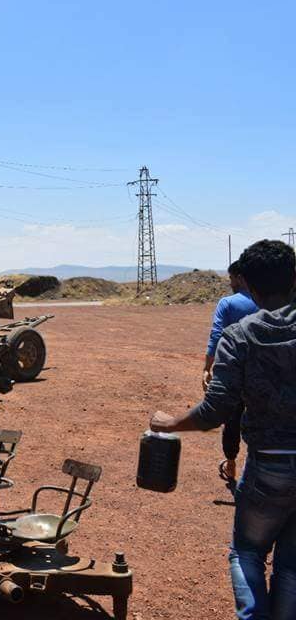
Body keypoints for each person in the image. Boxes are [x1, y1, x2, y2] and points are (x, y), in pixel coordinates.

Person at [150, 239, 296, 619]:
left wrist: (171, 422)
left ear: (245, 282)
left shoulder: (241, 336)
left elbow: (216, 410)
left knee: (247, 551)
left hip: (268, 466)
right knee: (292, 567)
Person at [204, 260, 259, 483]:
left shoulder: (227, 304)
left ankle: (231, 463)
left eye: (231, 279)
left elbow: (216, 336)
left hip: (233, 371)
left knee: (232, 418)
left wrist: (207, 367)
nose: (230, 283)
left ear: (239, 278)